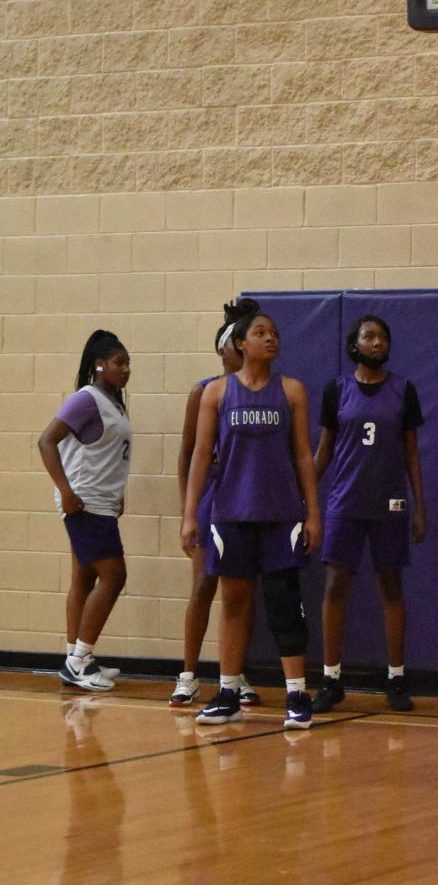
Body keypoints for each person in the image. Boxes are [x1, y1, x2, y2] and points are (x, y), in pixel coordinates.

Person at [180, 307, 321, 729]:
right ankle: (227, 692)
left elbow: (302, 455)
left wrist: (313, 513)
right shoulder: (217, 393)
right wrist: (190, 516)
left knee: (284, 603)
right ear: (240, 343)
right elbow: (201, 457)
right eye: (261, 332)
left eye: (274, 333)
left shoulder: (292, 390)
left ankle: (297, 694)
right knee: (235, 601)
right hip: (231, 513)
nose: (270, 338)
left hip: (281, 514)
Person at [313, 315, 427, 714]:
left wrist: (419, 507)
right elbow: (324, 451)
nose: (377, 342)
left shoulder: (403, 390)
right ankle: (331, 678)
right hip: (345, 501)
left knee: (392, 588)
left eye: (383, 336)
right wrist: (305, 496)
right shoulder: (337, 390)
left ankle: (396, 677)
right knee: (334, 587)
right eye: (369, 336)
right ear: (354, 345)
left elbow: (411, 452)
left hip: (390, 503)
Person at [170, 299, 262, 709]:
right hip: (211, 498)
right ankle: (187, 674)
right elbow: (188, 455)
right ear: (226, 349)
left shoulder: (266, 392)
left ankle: (234, 674)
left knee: (240, 590)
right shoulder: (205, 391)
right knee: (203, 586)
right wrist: (186, 510)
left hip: (246, 500)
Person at [37, 330, 132, 693]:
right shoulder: (86, 399)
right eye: (118, 363)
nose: (125, 369)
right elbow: (46, 441)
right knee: (114, 576)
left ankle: (75, 656)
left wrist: (119, 492)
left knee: (84, 578)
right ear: (99, 365)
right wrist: (66, 491)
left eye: (127, 364)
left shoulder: (113, 402)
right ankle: (78, 662)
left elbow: (110, 454)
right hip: (85, 501)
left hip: (103, 501)